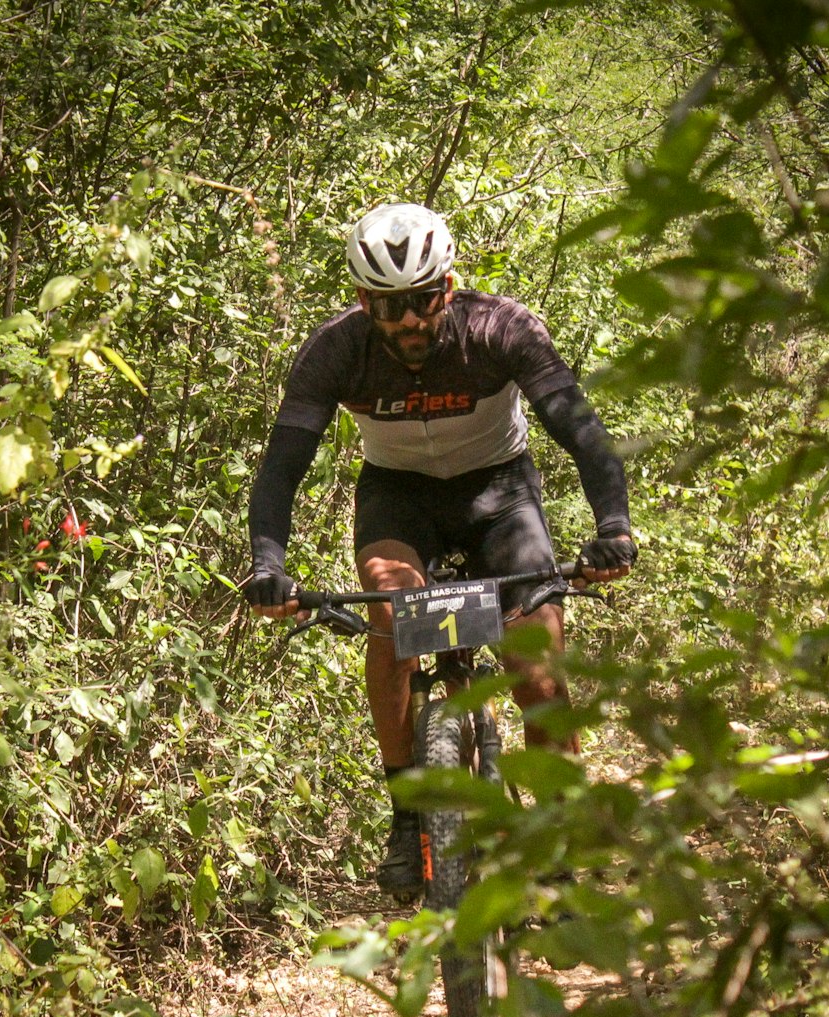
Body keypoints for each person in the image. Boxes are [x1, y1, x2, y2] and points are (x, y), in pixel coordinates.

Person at [245, 202, 636, 898]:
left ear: (447, 288)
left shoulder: (500, 329)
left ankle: (555, 849)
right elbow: (283, 464)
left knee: (537, 670)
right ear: (364, 301)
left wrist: (615, 529)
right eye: (388, 307)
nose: (408, 322)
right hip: (401, 500)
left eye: (423, 301)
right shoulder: (336, 350)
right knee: (393, 616)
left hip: (501, 498)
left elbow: (581, 430)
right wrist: (267, 564)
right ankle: (407, 814)